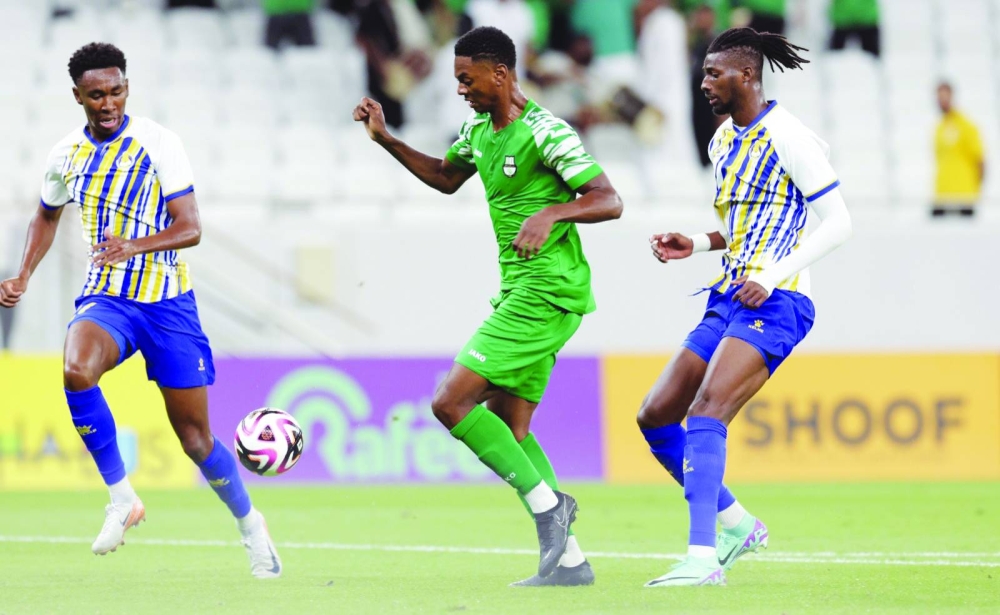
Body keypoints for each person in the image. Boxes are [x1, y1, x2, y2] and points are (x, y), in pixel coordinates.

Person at [353, 26, 623, 586]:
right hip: (523, 291)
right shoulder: (478, 130)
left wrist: (551, 214)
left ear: (500, 73)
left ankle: (550, 509)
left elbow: (608, 199)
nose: (460, 90)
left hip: (546, 291)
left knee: (450, 402)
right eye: (458, 80)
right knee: (511, 427)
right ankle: (569, 563)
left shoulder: (547, 132)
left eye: (466, 79)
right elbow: (447, 178)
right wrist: (386, 139)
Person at [0, 43, 281, 579]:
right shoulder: (65, 155)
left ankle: (251, 527)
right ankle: (121, 497)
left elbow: (191, 227)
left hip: (168, 304)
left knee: (195, 440)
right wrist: (24, 273)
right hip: (107, 298)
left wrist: (135, 245)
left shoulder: (158, 142)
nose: (109, 103)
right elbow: (45, 214)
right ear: (78, 96)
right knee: (75, 369)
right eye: (97, 95)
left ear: (127, 88)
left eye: (117, 91)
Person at [637, 28, 852, 587]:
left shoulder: (789, 136)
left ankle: (702, 560)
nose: (704, 83)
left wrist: (772, 275)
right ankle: (736, 523)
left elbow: (839, 223)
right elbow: (746, 225)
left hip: (778, 301)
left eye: (715, 74)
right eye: (704, 73)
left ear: (748, 76)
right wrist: (700, 242)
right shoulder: (722, 140)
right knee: (656, 414)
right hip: (729, 294)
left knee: (706, 413)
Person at [933, 82, 985, 218]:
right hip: (942, 193)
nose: (942, 101)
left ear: (952, 97)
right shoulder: (939, 127)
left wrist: (976, 190)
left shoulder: (966, 125)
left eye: (945, 96)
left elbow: (980, 159)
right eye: (939, 97)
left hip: (964, 194)